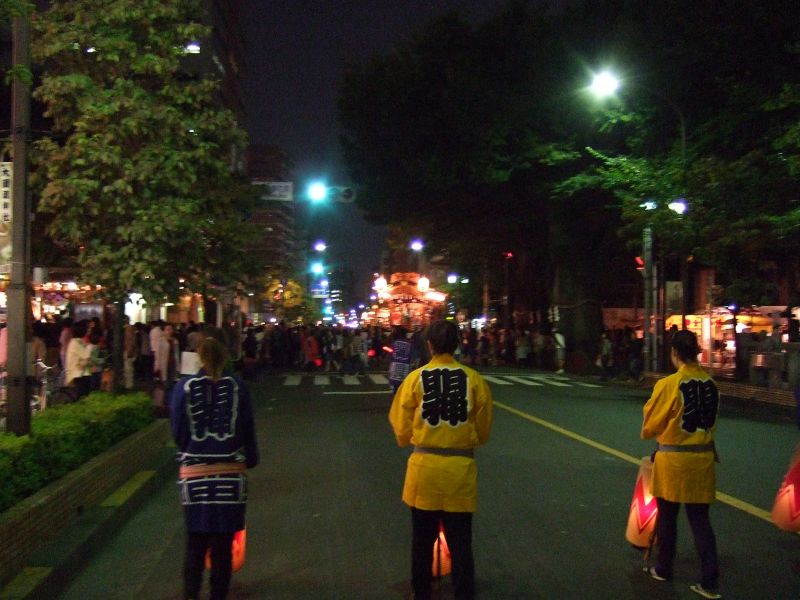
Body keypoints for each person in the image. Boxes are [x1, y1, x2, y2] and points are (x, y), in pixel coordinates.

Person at [389, 320, 493, 600]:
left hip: (424, 470)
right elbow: (483, 431)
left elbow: (401, 427)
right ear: (457, 345)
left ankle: (421, 592)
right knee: (461, 543)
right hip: (459, 470)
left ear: (429, 345)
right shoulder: (473, 379)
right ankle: (464, 593)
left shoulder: (415, 379)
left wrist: (412, 436)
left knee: (422, 542)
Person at [170, 332, 260, 600]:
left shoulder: (183, 387)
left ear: (198, 357)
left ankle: (190, 594)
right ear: (225, 357)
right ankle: (218, 595)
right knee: (223, 545)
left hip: (194, 477)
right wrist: (250, 458)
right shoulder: (237, 387)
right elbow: (247, 428)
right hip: (229, 477)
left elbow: (177, 429)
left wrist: (190, 449)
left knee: (195, 543)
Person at [641, 329, 721, 600]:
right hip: (702, 459)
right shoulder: (711, 384)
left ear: (674, 352)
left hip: (674, 461)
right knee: (700, 522)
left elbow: (650, 425)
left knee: (667, 518)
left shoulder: (669, 384)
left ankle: (664, 568)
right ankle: (709, 581)